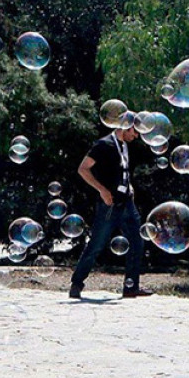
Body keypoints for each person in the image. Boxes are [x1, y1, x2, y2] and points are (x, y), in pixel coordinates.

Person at [69, 123, 149, 299]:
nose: (136, 136)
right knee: (97, 244)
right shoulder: (104, 144)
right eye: (134, 132)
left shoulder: (125, 146)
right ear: (125, 127)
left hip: (127, 201)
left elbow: (121, 171)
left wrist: (130, 187)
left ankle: (131, 287)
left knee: (137, 241)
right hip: (110, 203)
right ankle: (77, 284)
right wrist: (101, 190)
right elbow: (83, 169)